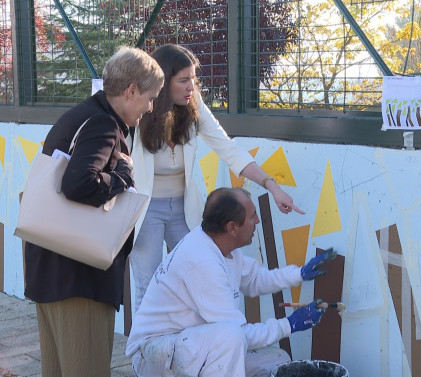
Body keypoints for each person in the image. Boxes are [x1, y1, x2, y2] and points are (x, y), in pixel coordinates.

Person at [130, 44, 305, 309]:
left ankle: (192, 348)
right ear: (163, 83)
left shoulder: (193, 106)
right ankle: (144, 351)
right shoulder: (140, 110)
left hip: (183, 209)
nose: (192, 87)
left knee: (197, 279)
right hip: (145, 209)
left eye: (193, 79)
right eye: (184, 80)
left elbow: (228, 148)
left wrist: (272, 186)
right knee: (149, 288)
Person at [23, 46, 164, 377]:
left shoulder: (81, 115)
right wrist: (121, 178)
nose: (150, 107)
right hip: (79, 279)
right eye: (149, 97)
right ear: (131, 91)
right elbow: (78, 183)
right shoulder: (103, 124)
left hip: (53, 271)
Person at [126, 187, 337, 377]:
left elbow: (255, 279)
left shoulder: (222, 247)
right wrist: (288, 325)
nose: (257, 221)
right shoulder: (202, 262)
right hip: (153, 355)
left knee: (277, 361)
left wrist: (299, 274)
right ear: (232, 228)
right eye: (252, 216)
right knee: (230, 337)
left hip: (188, 346)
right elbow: (238, 335)